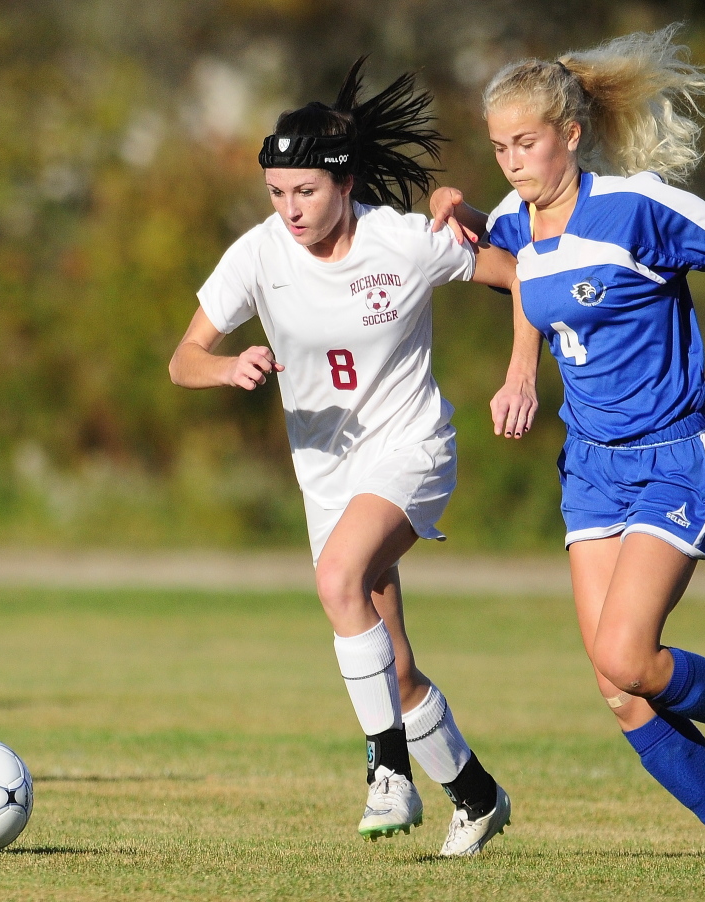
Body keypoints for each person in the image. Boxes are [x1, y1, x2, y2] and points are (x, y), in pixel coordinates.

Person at [430, 25, 705, 866]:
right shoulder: (519, 216)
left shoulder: (638, 207)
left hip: (672, 456)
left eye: (525, 143)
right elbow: (507, 249)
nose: (510, 161)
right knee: (616, 686)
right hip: (589, 468)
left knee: (629, 651)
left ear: (571, 136)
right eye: (499, 147)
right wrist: (459, 216)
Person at [169, 59, 517, 856]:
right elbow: (182, 357)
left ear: (346, 183)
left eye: (306, 192)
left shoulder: (404, 241)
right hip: (326, 476)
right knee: (393, 672)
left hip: (412, 450)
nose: (289, 210)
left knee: (337, 580)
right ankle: (476, 794)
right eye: (276, 193)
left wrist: (523, 364)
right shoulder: (258, 254)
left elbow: (524, 276)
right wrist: (228, 366)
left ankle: (385, 770)